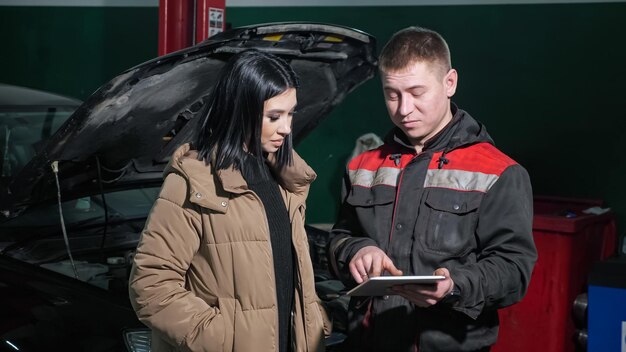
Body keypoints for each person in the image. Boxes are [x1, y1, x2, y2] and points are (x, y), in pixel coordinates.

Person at [327, 27, 537, 352]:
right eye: (392, 94)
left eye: (416, 92)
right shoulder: (362, 166)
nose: (404, 109)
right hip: (368, 341)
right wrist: (355, 251)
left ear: (449, 82)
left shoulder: (499, 172)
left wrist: (455, 285)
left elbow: (513, 268)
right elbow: (339, 236)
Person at [129, 49, 330, 352]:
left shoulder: (287, 180)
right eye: (274, 116)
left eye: (291, 114)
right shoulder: (194, 181)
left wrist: (315, 320)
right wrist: (222, 339)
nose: (287, 128)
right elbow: (151, 286)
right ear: (241, 110)